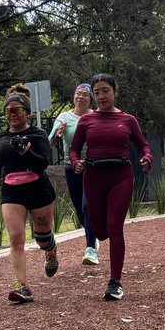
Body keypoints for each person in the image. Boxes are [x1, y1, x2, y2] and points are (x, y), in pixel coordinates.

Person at [69, 73, 152, 301]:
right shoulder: (86, 121)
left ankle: (115, 282)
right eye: (96, 92)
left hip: (121, 176)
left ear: (116, 91)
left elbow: (143, 145)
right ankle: (97, 240)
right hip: (93, 177)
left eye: (105, 90)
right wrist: (76, 162)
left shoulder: (128, 120)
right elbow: (74, 149)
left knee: (115, 227)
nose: (101, 96)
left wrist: (147, 158)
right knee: (101, 230)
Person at [0, 84, 59, 305]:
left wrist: (26, 151)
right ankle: (22, 286)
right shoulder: (1, 136)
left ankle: (50, 252)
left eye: (17, 111)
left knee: (42, 236)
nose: (12, 115)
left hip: (38, 189)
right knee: (16, 238)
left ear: (27, 113)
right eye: (8, 111)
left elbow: (43, 163)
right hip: (12, 191)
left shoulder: (37, 134)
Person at [49, 83, 99, 266]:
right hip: (71, 167)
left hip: (92, 167)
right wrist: (57, 135)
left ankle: (90, 249)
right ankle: (92, 235)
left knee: (87, 207)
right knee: (79, 209)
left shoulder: (96, 116)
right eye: (78, 93)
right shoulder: (64, 117)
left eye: (85, 94)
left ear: (90, 99)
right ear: (74, 96)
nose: (81, 97)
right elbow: (49, 143)